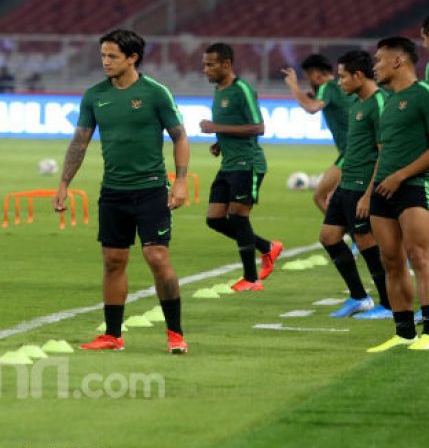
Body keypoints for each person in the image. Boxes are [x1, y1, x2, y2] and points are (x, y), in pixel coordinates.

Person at [54, 29, 190, 354]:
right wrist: (63, 184)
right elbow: (80, 142)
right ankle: (112, 336)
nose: (106, 62)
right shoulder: (94, 96)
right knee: (114, 261)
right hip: (113, 192)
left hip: (151, 190)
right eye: (103, 55)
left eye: (112, 56)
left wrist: (182, 181)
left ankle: (175, 334)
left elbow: (180, 136)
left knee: (157, 257)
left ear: (132, 58)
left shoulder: (156, 93)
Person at [364, 37, 429, 352]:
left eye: (378, 60)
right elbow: (385, 151)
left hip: (415, 187)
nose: (375, 66)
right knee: (390, 260)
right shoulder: (386, 100)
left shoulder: (426, 95)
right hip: (383, 190)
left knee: (419, 256)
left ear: (397, 61)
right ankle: (404, 332)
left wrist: (400, 176)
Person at [200, 43, 283, 292]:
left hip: (248, 163)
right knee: (214, 219)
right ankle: (267, 247)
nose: (205, 69)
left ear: (226, 64)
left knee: (238, 217)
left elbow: (259, 127)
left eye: (210, 64)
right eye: (204, 64)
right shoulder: (219, 91)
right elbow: (234, 126)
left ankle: (251, 278)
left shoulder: (242, 89)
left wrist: (218, 129)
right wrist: (220, 143)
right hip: (229, 163)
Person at [319, 50, 390, 318]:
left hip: (363, 187)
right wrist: (338, 186)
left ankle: (387, 304)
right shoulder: (357, 103)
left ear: (359, 75)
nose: (339, 83)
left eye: (343, 77)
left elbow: (385, 152)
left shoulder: (379, 103)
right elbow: (354, 149)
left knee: (365, 241)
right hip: (347, 182)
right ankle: (359, 297)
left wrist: (369, 194)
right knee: (328, 237)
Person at [281, 53, 354, 213]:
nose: (307, 80)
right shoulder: (339, 87)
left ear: (316, 74)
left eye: (307, 76)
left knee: (320, 197)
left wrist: (293, 85)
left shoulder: (327, 87)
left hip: (352, 153)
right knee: (340, 198)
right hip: (358, 150)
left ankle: (348, 234)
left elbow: (312, 108)